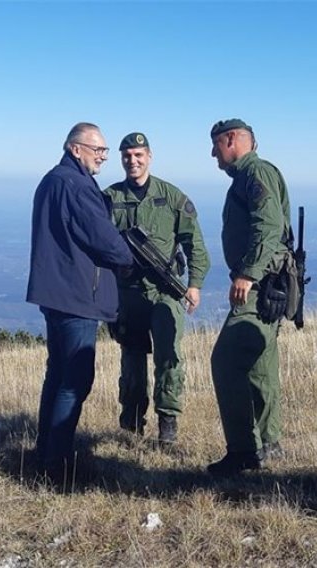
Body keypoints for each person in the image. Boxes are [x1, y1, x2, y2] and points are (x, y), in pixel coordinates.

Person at [26, 122, 134, 481]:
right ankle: (57, 465)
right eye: (98, 149)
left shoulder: (51, 180)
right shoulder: (76, 185)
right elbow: (104, 239)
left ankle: (45, 455)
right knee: (74, 379)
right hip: (76, 297)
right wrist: (129, 260)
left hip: (55, 294)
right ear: (76, 149)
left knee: (56, 376)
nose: (104, 156)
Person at [103, 132, 210, 444]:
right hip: (127, 294)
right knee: (132, 362)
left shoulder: (173, 197)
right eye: (127, 156)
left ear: (149, 156)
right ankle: (131, 427)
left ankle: (168, 428)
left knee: (169, 359)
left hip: (165, 292)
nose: (132, 161)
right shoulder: (110, 197)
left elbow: (195, 245)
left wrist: (195, 284)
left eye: (138, 155)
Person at [206, 118, 293, 476]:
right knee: (260, 366)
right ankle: (270, 442)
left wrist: (247, 273)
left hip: (260, 286)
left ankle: (243, 452)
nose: (213, 153)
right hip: (269, 284)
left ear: (232, 139)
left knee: (225, 361)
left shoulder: (254, 173)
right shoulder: (248, 175)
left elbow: (269, 226)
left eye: (215, 145)